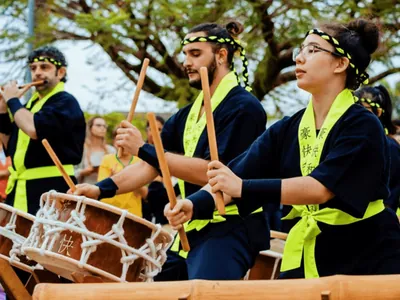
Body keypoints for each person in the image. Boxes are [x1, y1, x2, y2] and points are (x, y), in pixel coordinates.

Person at [165, 19, 400, 279]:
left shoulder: (362, 124)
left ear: (341, 64)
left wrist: (242, 188)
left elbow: (319, 189)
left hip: (367, 251)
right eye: (301, 50)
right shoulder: (290, 126)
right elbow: (236, 173)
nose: (299, 58)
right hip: (312, 247)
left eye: (312, 50)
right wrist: (193, 204)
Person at [72, 21, 269, 280]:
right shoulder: (186, 114)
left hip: (229, 227)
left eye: (195, 54)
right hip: (191, 227)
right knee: (150, 289)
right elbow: (148, 166)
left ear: (221, 56)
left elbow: (217, 175)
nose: (186, 61)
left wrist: (143, 148)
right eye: (185, 54)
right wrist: (99, 189)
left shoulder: (245, 108)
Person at [0, 46, 85, 215]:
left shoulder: (65, 102)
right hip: (21, 189)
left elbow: (34, 129)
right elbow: (9, 145)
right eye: (33, 68)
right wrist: (2, 109)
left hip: (52, 189)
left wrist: (12, 101)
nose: (37, 73)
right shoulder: (29, 107)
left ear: (60, 72)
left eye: (44, 67)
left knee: (46, 241)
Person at [354, 86, 400, 215]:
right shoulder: (351, 142)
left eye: (361, 109)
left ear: (378, 112)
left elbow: (390, 198)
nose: (354, 115)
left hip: (375, 227)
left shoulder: (389, 147)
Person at [98, 128, 145, 216]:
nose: (123, 143)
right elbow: (100, 189)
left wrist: (133, 181)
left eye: (126, 140)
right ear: (114, 142)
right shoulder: (107, 159)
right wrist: (112, 179)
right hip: (110, 211)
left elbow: (145, 194)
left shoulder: (140, 161)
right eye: (119, 139)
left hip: (133, 214)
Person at [75, 116, 115, 184]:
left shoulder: (111, 150)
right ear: (90, 128)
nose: (102, 128)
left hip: (106, 190)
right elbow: (72, 172)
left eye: (105, 126)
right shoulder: (81, 149)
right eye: (98, 125)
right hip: (85, 190)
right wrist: (82, 172)